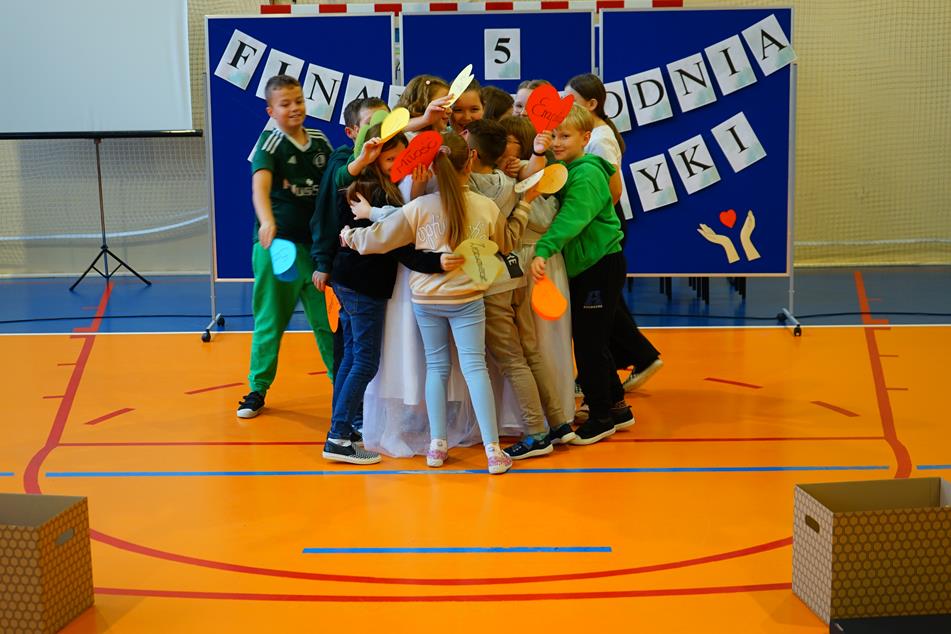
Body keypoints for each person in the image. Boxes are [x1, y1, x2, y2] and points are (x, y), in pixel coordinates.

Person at [341, 132, 530, 474]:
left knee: (436, 368)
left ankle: (437, 446)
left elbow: (380, 239)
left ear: (429, 169)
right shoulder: (486, 207)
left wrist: (350, 236)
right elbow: (505, 243)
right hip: (468, 299)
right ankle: (493, 451)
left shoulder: (418, 208)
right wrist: (523, 208)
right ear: (469, 163)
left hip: (426, 299)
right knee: (475, 368)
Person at [321, 124, 460, 465]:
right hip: (362, 286)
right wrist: (435, 263)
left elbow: (399, 227)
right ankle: (338, 436)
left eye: (402, 158)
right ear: (373, 161)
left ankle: (342, 428)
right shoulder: (374, 192)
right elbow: (398, 238)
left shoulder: (375, 188)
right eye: (390, 160)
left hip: (351, 282)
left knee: (352, 357)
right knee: (365, 361)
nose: (398, 165)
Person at [466, 119, 575, 458]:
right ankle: (559, 422)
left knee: (512, 359)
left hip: (492, 278)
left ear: (472, 155)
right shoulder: (506, 182)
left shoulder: (469, 186)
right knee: (530, 350)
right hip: (516, 272)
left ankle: (537, 432)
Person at [531, 105, 635, 445]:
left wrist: (543, 248)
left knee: (590, 344)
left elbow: (572, 218)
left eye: (566, 136)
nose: (558, 142)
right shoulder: (568, 168)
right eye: (554, 136)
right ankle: (617, 408)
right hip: (590, 265)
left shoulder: (587, 173)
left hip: (598, 266)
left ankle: (601, 417)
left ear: (585, 138)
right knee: (594, 340)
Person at [237, 75, 335, 419]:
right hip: (281, 248)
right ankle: (257, 389)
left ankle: (345, 391)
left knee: (328, 323)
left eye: (299, 101)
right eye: (285, 104)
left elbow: (333, 188)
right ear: (271, 111)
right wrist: (267, 221)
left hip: (317, 250)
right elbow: (259, 190)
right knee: (271, 320)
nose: (294, 108)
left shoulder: (320, 142)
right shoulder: (269, 143)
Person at [565, 73, 663, 405]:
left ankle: (630, 362)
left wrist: (584, 213)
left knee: (600, 304)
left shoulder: (600, 139)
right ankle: (635, 357)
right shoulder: (596, 134)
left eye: (572, 100)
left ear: (592, 104)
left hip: (602, 222)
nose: (565, 106)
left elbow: (613, 189)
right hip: (596, 220)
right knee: (606, 303)